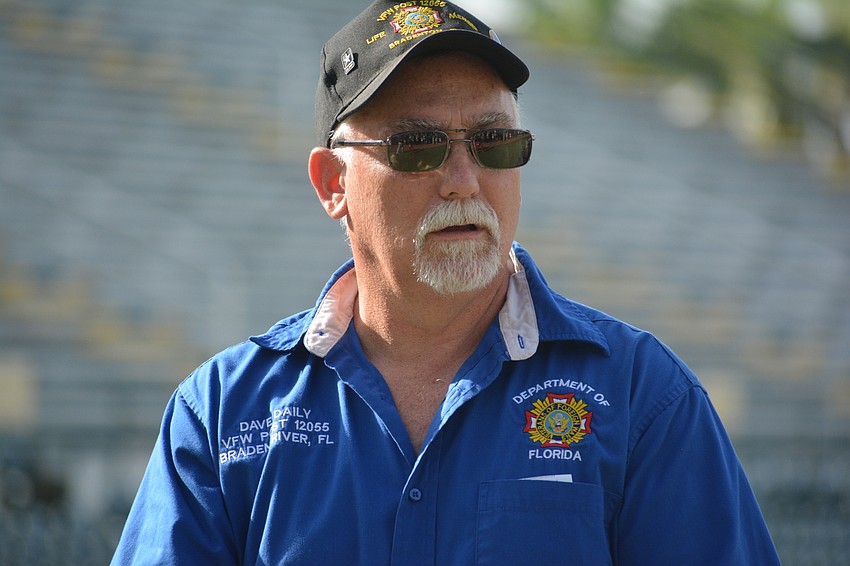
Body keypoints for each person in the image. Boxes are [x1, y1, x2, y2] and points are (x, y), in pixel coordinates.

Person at [112, 1, 781, 564]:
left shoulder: (643, 396)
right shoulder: (223, 413)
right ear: (332, 184)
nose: (464, 179)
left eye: (494, 142)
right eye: (417, 145)